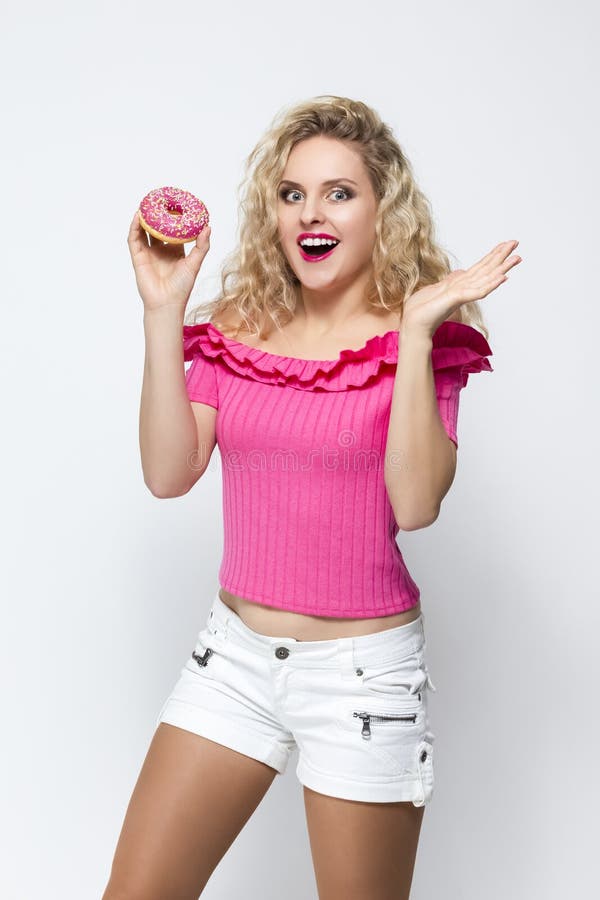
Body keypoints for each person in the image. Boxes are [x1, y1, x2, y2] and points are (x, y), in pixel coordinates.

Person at [105, 95, 521, 899]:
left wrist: (417, 335)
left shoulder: (424, 340)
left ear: (381, 209)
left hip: (362, 679)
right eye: (292, 193)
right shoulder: (237, 326)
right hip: (232, 661)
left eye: (339, 191)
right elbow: (167, 474)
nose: (310, 212)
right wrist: (163, 316)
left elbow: (414, 504)